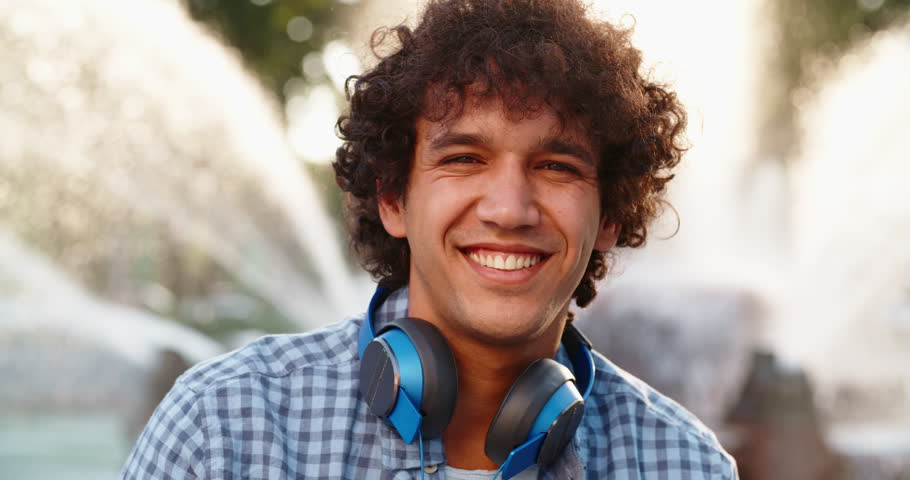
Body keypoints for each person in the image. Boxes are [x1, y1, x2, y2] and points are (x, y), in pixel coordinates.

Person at [122, 0, 738, 478]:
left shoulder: (688, 465)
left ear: (609, 217)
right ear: (392, 197)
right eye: (465, 158)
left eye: (557, 166)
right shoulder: (224, 427)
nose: (509, 208)